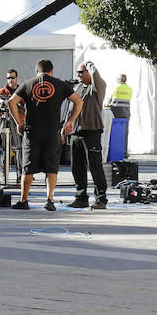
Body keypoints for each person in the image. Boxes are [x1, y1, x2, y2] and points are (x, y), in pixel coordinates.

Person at [8, 59, 83, 211]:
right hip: (52, 132)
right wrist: (70, 121)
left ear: (37, 71)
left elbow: (11, 102)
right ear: (52, 71)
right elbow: (79, 101)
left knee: (28, 168)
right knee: (51, 167)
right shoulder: (60, 84)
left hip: (32, 132)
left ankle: (24, 200)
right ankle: (49, 200)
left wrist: (18, 122)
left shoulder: (28, 84)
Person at [68, 61, 108, 210]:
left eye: (81, 72)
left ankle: (101, 198)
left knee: (95, 165)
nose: (78, 75)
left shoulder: (96, 89)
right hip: (76, 132)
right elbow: (70, 109)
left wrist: (91, 67)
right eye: (77, 72)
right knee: (76, 166)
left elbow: (99, 80)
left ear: (88, 73)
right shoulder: (77, 88)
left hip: (92, 131)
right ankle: (81, 198)